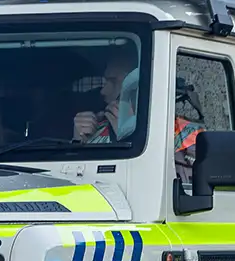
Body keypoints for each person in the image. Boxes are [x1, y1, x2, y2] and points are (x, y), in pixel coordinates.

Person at [72, 50, 203, 179]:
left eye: (113, 81)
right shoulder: (97, 130)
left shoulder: (186, 133)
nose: (103, 91)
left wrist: (132, 137)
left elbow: (179, 186)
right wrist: (78, 142)